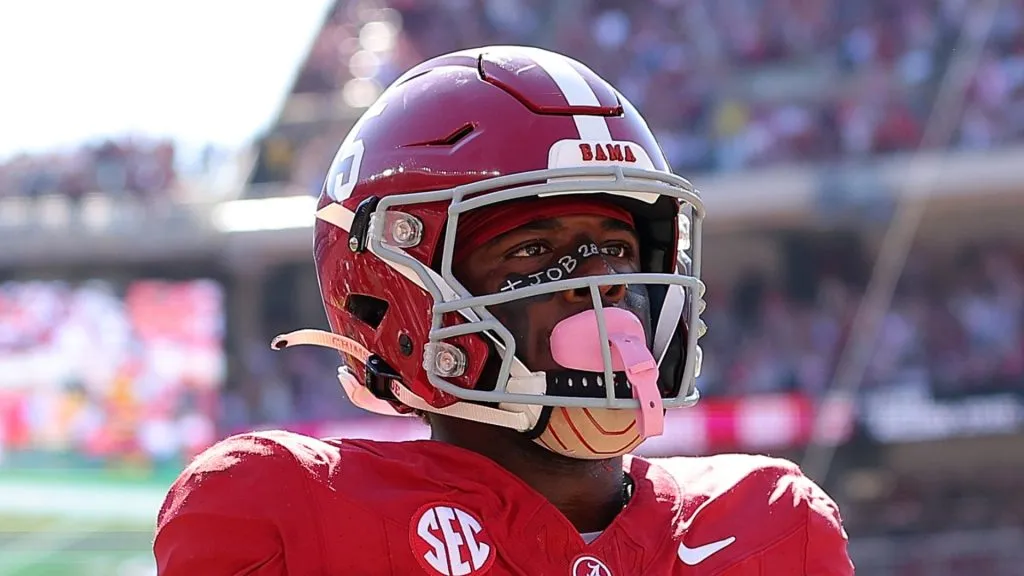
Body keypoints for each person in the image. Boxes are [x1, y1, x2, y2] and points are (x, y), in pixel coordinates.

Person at [153, 45, 854, 575]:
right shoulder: (288, 509)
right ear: (398, 289)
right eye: (532, 247)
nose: (603, 281)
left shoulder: (772, 522)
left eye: (617, 244)